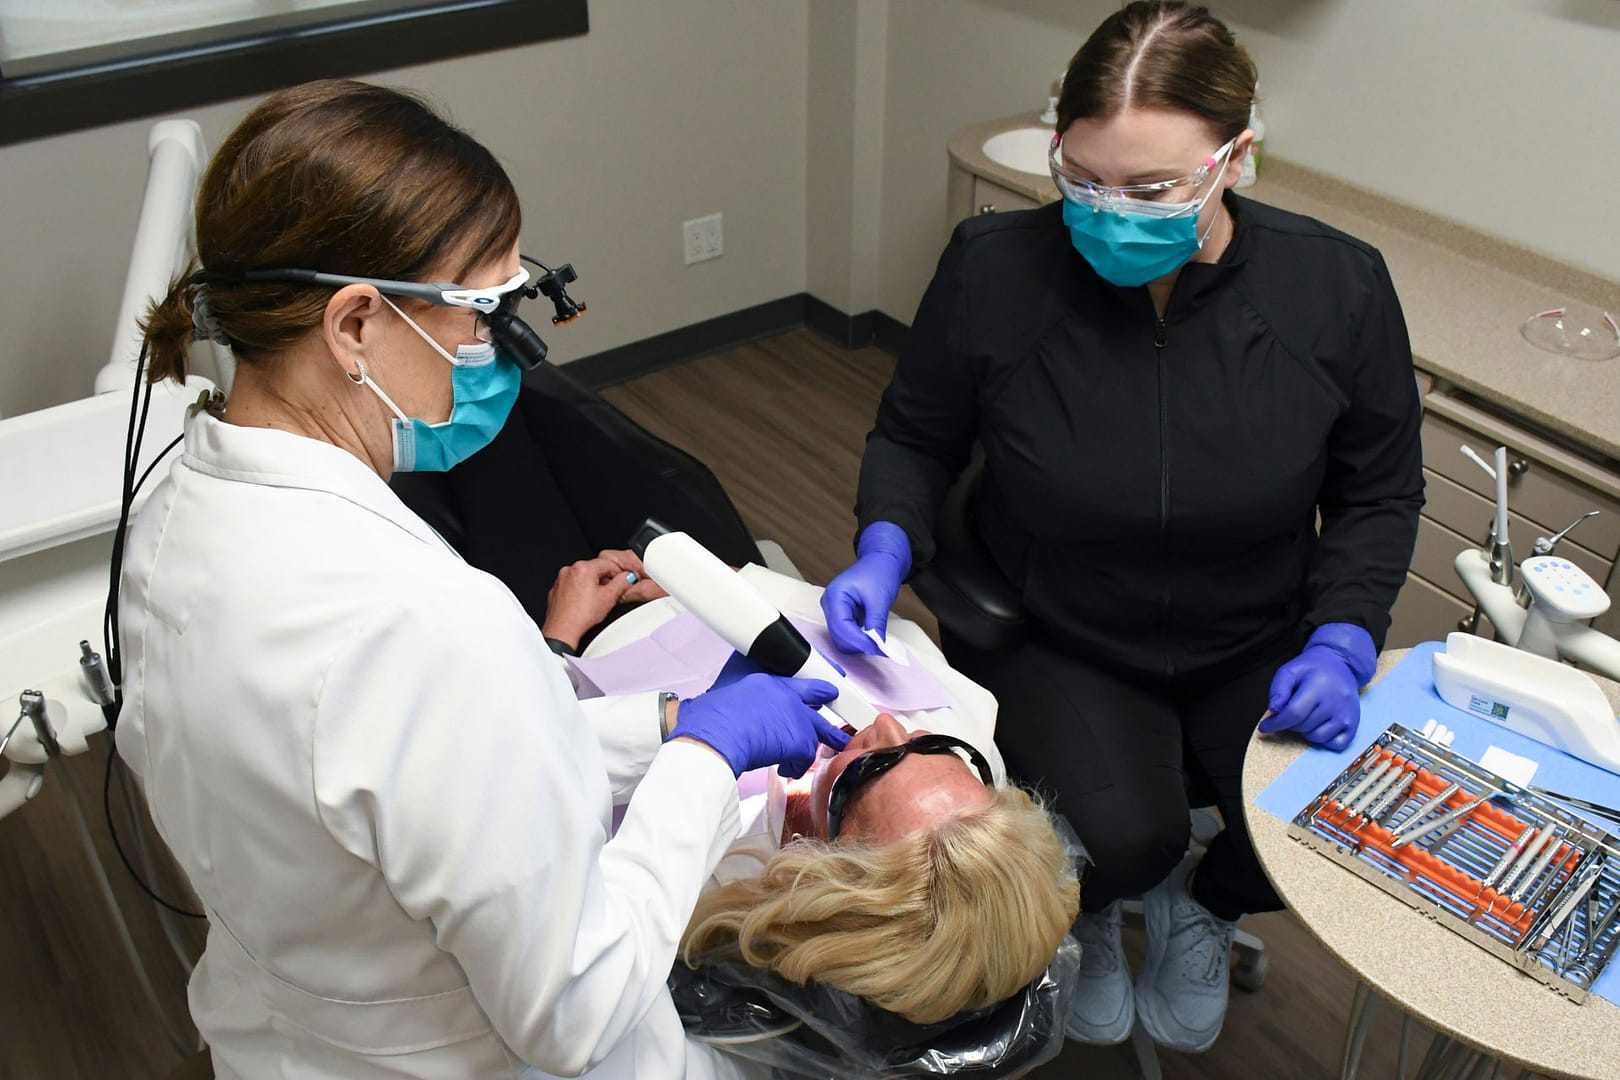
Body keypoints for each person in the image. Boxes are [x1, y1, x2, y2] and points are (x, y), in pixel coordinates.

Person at [115, 79, 849, 1080]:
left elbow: (400, 781)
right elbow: (577, 1012)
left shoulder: (169, 515)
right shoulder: (423, 620)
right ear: (354, 325)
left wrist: (668, 724)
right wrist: (705, 764)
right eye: (483, 312)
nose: (496, 350)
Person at [821, 0, 1423, 1055]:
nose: (1108, 214)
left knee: (1329, 831)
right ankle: (1087, 907)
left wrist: (1343, 638)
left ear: (1237, 157)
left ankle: (1212, 904)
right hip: (1066, 627)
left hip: (1260, 630)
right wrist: (886, 545)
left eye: (1150, 190)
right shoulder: (994, 268)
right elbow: (916, 435)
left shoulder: (1336, 287)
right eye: (1082, 179)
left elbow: (1378, 491)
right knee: (1123, 838)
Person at [571, 564, 1081, 1027]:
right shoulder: (973, 754)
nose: (888, 724)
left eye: (868, 771)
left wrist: (555, 645)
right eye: (935, 747)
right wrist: (708, 585)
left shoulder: (693, 880)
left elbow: (537, 774)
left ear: (812, 863)